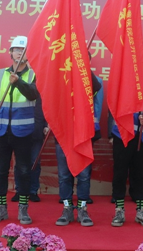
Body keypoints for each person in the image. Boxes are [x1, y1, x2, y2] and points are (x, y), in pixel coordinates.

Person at [0, 36, 39, 225]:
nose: (19, 52)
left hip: (24, 132)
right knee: (0, 171)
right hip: (1, 131)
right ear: (10, 53)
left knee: (24, 171)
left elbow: (33, 94)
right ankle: (1, 208)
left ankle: (23, 210)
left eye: (23, 50)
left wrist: (17, 82)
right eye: (16, 49)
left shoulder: (34, 74)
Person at [55, 71, 102, 226]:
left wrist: (83, 66)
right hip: (63, 134)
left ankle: (82, 209)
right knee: (64, 175)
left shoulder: (87, 81)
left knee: (83, 175)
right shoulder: (60, 77)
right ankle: (67, 209)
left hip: (83, 135)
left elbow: (97, 85)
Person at [110, 106, 143, 227]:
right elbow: (112, 106)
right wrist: (110, 134)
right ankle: (119, 210)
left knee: (140, 175)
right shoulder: (122, 86)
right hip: (122, 134)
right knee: (120, 173)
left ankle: (141, 211)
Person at [12, 94, 48, 203]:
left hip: (37, 131)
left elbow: (47, 110)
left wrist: (46, 125)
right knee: (20, 163)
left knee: (35, 162)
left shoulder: (42, 92)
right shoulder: (21, 90)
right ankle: (19, 190)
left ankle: (33, 191)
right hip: (21, 132)